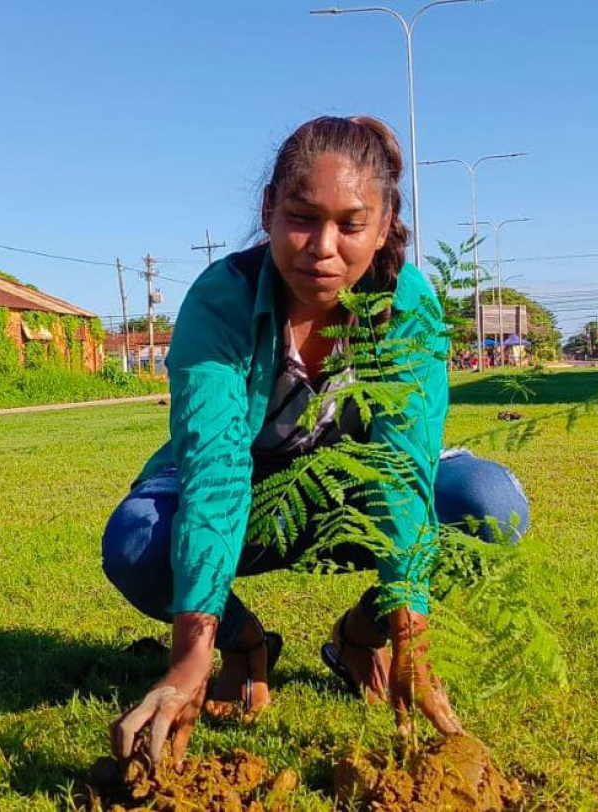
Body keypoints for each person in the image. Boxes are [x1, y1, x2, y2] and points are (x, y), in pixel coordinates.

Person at [101, 116, 530, 766]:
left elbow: (400, 469)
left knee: (491, 505)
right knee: (138, 541)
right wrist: (191, 656)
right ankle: (245, 642)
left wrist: (410, 640)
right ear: (269, 209)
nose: (322, 248)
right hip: (249, 497)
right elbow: (215, 473)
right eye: (302, 217)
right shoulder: (221, 302)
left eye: (351, 225)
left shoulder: (406, 307)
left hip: (351, 495)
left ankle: (360, 635)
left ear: (383, 227)